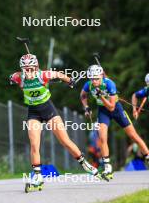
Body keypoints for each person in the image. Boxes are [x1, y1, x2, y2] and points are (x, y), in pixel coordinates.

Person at [10, 54, 99, 187]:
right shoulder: (19, 77)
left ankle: (85, 164)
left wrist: (69, 80)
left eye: (31, 68)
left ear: (36, 67)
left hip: (48, 110)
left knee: (65, 141)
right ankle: (38, 177)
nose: (28, 71)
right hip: (33, 112)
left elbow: (58, 74)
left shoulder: (44, 75)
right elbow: (11, 77)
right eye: (25, 69)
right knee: (34, 144)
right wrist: (12, 79)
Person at [80, 65, 149, 180]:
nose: (94, 81)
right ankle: (107, 167)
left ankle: (147, 155)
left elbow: (111, 107)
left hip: (116, 109)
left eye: (96, 78)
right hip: (102, 111)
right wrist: (86, 107)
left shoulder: (109, 84)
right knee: (102, 137)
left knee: (133, 135)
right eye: (92, 78)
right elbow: (82, 95)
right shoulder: (89, 85)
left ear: (101, 76)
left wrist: (101, 97)